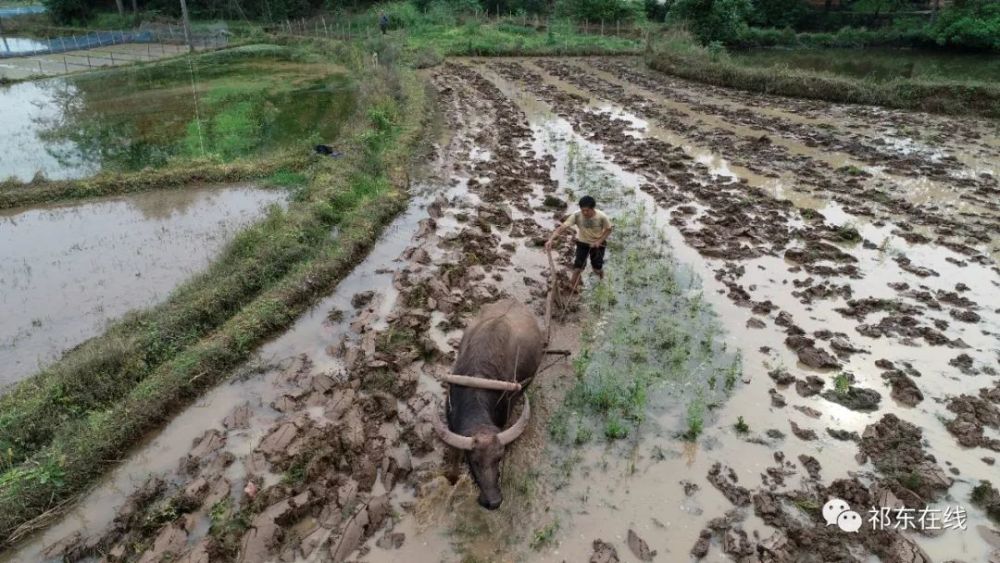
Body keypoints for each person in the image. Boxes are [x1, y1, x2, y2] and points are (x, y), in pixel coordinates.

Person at [545, 195, 613, 292]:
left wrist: (599, 241)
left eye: (587, 210)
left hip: (597, 245)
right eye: (583, 210)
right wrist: (551, 239)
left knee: (596, 269)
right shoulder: (577, 215)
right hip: (583, 244)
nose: (585, 213)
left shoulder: (602, 216)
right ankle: (572, 287)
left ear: (593, 208)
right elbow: (562, 227)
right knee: (577, 267)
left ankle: (602, 277)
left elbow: (609, 230)